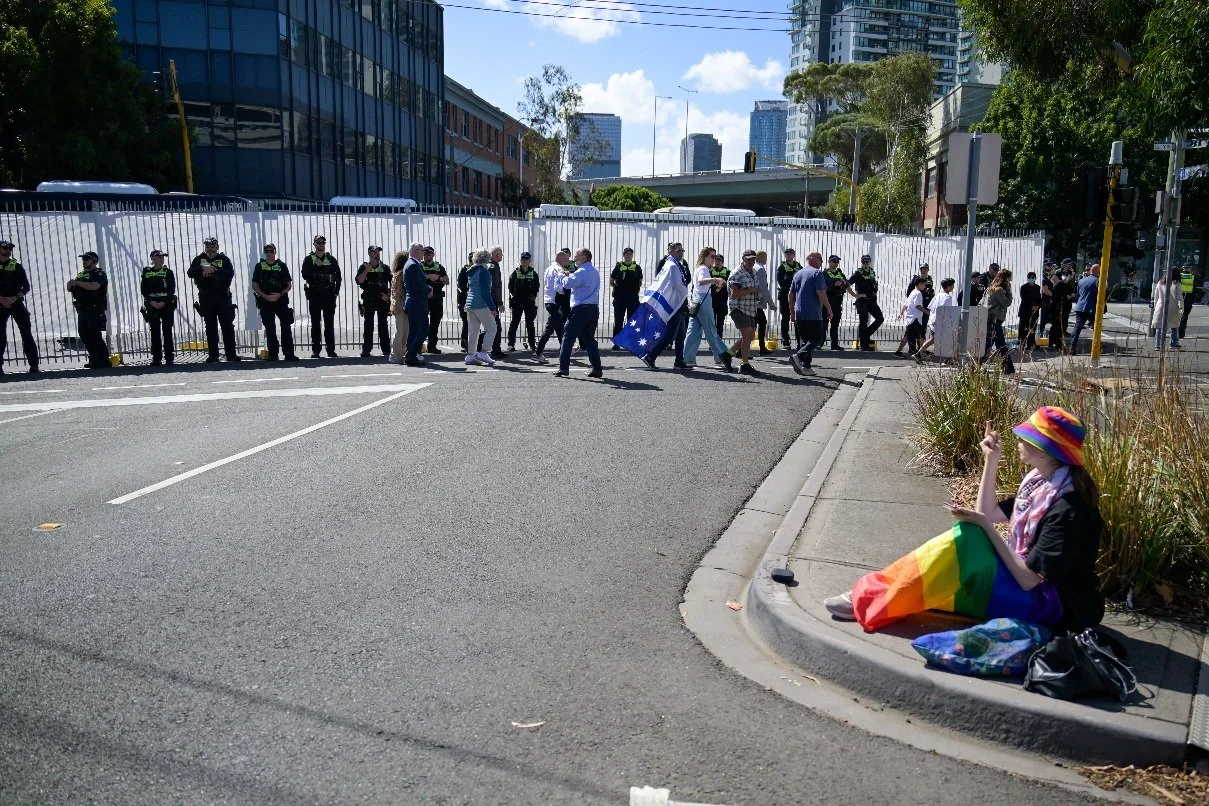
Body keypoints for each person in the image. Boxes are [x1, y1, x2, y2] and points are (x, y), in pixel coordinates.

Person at [825, 408, 1106, 635]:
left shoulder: (1068, 507)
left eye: (1025, 438)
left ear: (1044, 451)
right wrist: (990, 460)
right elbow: (988, 511)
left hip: (1052, 605)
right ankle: (882, 591)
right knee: (968, 539)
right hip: (1031, 591)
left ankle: (876, 596)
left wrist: (984, 525)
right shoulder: (1040, 485)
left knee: (967, 547)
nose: (1018, 441)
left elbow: (1029, 579)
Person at [188, 237, 241, 363]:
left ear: (217, 247)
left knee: (227, 327)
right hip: (206, 298)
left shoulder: (224, 259)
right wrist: (202, 268)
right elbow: (190, 273)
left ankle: (231, 355)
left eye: (212, 246)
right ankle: (213, 355)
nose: (210, 248)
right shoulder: (199, 259)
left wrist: (213, 269)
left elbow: (230, 274)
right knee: (210, 328)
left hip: (223, 297)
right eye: (207, 246)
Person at [553, 247, 604, 379]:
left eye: (576, 256)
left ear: (583, 257)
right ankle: (597, 369)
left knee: (568, 336)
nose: (573, 258)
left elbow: (568, 284)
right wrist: (569, 274)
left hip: (581, 309)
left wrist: (560, 275)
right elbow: (577, 280)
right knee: (590, 340)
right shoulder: (593, 271)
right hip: (593, 309)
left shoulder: (582, 271)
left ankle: (563, 368)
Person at [682, 246, 735, 371]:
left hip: (697, 300)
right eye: (712, 256)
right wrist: (716, 279)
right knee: (711, 330)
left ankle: (688, 358)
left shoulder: (700, 268)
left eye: (715, 257)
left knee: (693, 331)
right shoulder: (703, 268)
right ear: (704, 256)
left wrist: (714, 281)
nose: (714, 259)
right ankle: (722, 355)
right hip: (703, 301)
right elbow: (701, 281)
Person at [642, 243, 692, 370]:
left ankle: (679, 361)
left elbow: (687, 278)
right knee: (671, 335)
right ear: (671, 251)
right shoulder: (671, 265)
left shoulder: (679, 264)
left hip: (680, 303)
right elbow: (676, 284)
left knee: (681, 334)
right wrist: (684, 290)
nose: (681, 253)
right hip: (674, 303)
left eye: (682, 250)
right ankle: (651, 356)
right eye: (678, 250)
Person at [251, 244, 298, 361]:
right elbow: (254, 285)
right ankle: (273, 354)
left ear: (275, 252)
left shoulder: (281, 265)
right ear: (264, 253)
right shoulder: (259, 266)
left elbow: (289, 285)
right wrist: (265, 296)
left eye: (271, 251)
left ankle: (289, 354)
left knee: (286, 327)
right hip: (265, 301)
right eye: (267, 251)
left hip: (281, 300)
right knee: (270, 328)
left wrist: (280, 294)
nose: (269, 253)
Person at [787, 251, 830, 377]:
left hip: (800, 312)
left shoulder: (798, 273)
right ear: (812, 258)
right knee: (817, 338)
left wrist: (792, 312)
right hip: (813, 313)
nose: (821, 262)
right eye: (820, 259)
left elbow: (791, 295)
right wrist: (828, 308)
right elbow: (821, 292)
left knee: (806, 341)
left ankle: (806, 366)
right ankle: (798, 356)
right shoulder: (817, 273)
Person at [0, 238, 39, 374]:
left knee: (26, 334)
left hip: (16, 303)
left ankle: (34, 365)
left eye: (10, 249)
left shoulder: (16, 266)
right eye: (5, 248)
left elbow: (26, 287)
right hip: (0, 304)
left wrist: (14, 297)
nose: (8, 251)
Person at [67, 251, 110, 369]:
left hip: (95, 309)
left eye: (87, 259)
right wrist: (70, 285)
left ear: (94, 261)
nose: (84, 261)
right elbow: (71, 288)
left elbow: (94, 286)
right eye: (83, 259)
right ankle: (94, 359)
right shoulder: (81, 274)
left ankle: (104, 360)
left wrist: (76, 283)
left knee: (95, 335)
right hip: (82, 309)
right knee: (84, 334)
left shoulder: (99, 273)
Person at [301, 235, 341, 358]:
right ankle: (316, 350)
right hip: (315, 294)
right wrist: (315, 266)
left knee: (329, 324)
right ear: (314, 244)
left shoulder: (331, 259)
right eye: (319, 243)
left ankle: (330, 350)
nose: (321, 245)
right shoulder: (309, 259)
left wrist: (335, 292)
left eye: (323, 242)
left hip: (328, 294)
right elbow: (305, 275)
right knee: (315, 323)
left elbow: (338, 277)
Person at [726, 249, 763, 375]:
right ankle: (744, 364)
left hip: (750, 308)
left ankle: (727, 355)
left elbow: (757, 289)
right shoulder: (737, 273)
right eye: (748, 259)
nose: (751, 261)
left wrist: (759, 296)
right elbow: (734, 293)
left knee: (750, 336)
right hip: (739, 308)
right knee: (747, 336)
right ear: (743, 259)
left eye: (753, 259)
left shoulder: (754, 272)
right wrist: (752, 290)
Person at [534, 248, 573, 364]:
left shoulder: (549, 268)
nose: (568, 261)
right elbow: (559, 287)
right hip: (555, 302)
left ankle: (565, 352)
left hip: (550, 301)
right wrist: (567, 287)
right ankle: (538, 352)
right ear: (561, 258)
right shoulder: (559, 269)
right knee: (550, 328)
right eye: (566, 259)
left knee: (560, 328)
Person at [139, 248, 177, 366]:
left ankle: (169, 357)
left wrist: (163, 302)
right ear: (153, 258)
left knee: (167, 331)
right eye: (159, 257)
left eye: (162, 257)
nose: (161, 259)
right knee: (154, 331)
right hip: (152, 305)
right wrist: (151, 302)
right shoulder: (146, 272)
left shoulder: (168, 272)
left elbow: (171, 289)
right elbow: (144, 290)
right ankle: (156, 357)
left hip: (166, 305)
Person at [355, 245, 391, 358]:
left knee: (383, 325)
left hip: (382, 299)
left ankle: (386, 349)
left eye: (378, 252)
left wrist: (388, 295)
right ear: (369, 253)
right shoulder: (364, 266)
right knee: (368, 325)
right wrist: (367, 269)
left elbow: (393, 284)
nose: (377, 254)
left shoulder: (385, 267)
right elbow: (359, 281)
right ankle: (366, 350)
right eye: (375, 252)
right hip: (369, 299)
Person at [463, 249, 498, 367]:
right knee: (492, 327)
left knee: (473, 331)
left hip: (470, 303)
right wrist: (492, 308)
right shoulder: (484, 272)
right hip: (480, 304)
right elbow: (485, 292)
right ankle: (484, 352)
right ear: (486, 258)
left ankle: (471, 355)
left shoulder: (471, 270)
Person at [401, 242, 431, 365]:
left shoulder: (412, 264)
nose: (424, 253)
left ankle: (411, 354)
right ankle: (411, 353)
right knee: (424, 329)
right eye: (422, 250)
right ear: (415, 251)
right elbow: (418, 285)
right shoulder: (413, 265)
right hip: (416, 302)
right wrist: (429, 288)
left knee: (414, 330)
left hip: (413, 302)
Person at [914, 277, 957, 361]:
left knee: (933, 339)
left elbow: (930, 307)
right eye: (952, 285)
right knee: (949, 339)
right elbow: (944, 311)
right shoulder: (948, 298)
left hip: (933, 320)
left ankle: (918, 353)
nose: (953, 287)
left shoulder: (938, 295)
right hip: (940, 322)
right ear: (947, 287)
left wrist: (933, 319)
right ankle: (949, 358)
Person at [981, 268, 1015, 374]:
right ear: (1006, 279)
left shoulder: (990, 288)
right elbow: (1007, 303)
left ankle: (976, 364)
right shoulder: (1000, 290)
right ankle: (1007, 368)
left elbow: (981, 302)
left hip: (987, 317)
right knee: (1000, 343)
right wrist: (1009, 290)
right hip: (994, 319)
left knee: (988, 343)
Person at [847, 254, 883, 351]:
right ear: (861, 262)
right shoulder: (858, 273)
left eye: (867, 261)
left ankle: (865, 336)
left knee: (880, 318)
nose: (866, 263)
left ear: (870, 262)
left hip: (872, 300)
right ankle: (864, 345)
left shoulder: (872, 272)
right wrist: (856, 295)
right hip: (862, 301)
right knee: (863, 322)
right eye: (864, 261)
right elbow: (847, 284)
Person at [610, 247, 642, 349]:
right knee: (618, 320)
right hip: (620, 298)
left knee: (631, 321)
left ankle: (630, 342)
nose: (628, 255)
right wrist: (617, 288)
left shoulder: (636, 267)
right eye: (626, 254)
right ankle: (617, 343)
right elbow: (611, 280)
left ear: (632, 255)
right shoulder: (619, 266)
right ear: (624, 255)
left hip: (632, 298)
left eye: (630, 254)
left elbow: (640, 281)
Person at [421, 246, 449, 354]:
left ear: (433, 254)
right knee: (422, 323)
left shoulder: (438, 266)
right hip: (424, 298)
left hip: (437, 298)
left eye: (428, 254)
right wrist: (428, 276)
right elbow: (415, 278)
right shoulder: (419, 265)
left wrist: (438, 278)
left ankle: (432, 346)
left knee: (435, 323)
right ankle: (419, 345)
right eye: (425, 254)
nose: (426, 256)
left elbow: (447, 281)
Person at [1068, 263, 1100, 355]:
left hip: (1080, 307)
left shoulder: (1081, 281)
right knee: (1096, 328)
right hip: (1093, 308)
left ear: (1090, 271)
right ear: (1099, 272)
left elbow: (1078, 295)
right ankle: (1096, 346)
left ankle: (1072, 347)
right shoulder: (1099, 281)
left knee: (1077, 327)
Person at [775, 248, 802, 350]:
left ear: (793, 255)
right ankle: (785, 340)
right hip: (785, 293)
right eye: (787, 254)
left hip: (797, 294)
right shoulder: (782, 267)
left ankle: (800, 341)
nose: (788, 255)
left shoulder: (799, 266)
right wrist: (793, 278)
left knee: (797, 318)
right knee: (785, 317)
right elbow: (781, 282)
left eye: (790, 254)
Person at [1152, 266, 1184, 351]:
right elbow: (1179, 297)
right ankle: (1173, 344)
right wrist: (1181, 308)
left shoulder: (1160, 282)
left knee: (1159, 326)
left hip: (1160, 305)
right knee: (1174, 326)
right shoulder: (1176, 283)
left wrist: (1156, 306)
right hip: (1172, 307)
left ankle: (1157, 345)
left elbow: (1156, 296)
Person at [897, 276, 928, 357]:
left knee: (916, 336)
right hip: (915, 319)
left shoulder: (912, 292)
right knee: (911, 336)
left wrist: (901, 313)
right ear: (920, 284)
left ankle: (918, 352)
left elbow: (906, 304)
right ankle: (913, 353)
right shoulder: (918, 294)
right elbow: (918, 306)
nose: (925, 287)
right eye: (924, 285)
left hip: (911, 318)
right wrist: (927, 312)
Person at [823, 254, 847, 350]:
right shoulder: (825, 273)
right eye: (834, 261)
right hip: (828, 300)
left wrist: (841, 283)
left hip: (837, 300)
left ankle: (834, 344)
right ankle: (820, 342)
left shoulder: (840, 273)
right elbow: (827, 284)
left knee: (835, 323)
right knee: (824, 322)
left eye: (837, 261)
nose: (836, 263)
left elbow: (846, 283)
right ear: (829, 262)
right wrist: (835, 283)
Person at [388, 251, 409, 364]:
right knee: (400, 331)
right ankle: (395, 354)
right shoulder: (401, 273)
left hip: (401, 305)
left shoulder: (398, 273)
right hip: (400, 305)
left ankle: (400, 354)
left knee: (404, 331)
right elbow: (401, 291)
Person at [486, 246, 506, 359]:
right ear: (496, 255)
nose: (502, 256)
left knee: (492, 326)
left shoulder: (491, 266)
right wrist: (499, 302)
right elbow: (494, 287)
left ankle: (493, 349)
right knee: (495, 327)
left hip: (489, 302)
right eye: (501, 254)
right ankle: (495, 350)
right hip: (492, 302)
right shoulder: (493, 267)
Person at [753, 250, 774, 355]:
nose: (766, 259)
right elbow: (763, 287)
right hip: (758, 301)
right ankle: (761, 347)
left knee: (754, 325)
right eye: (764, 257)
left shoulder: (753, 267)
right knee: (760, 323)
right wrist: (771, 303)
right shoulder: (760, 269)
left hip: (753, 300)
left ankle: (760, 347)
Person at [1018, 271, 1042, 350]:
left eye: (1032, 277)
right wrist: (1031, 306)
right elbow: (1024, 298)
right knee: (1024, 328)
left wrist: (1038, 306)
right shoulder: (1024, 287)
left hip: (1035, 311)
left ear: (1035, 278)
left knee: (1032, 328)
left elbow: (1039, 298)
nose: (1031, 279)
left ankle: (1031, 344)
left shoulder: (1037, 287)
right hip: (1025, 310)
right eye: (1029, 277)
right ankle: (1022, 344)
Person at [710, 252, 730, 338]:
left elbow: (730, 283)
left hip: (722, 298)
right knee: (712, 320)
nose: (717, 262)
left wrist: (723, 284)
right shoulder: (711, 270)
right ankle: (713, 341)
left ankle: (719, 339)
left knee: (720, 321)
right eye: (716, 260)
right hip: (713, 298)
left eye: (719, 261)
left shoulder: (727, 271)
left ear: (722, 262)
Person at [456, 251, 473, 351]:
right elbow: (461, 285)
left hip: (475, 300)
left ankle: (472, 343)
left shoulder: (478, 269)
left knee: (474, 322)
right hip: (465, 300)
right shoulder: (464, 269)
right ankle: (465, 343)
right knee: (467, 322)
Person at [1178, 263, 1197, 339]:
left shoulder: (1179, 276)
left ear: (1183, 268)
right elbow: (1195, 289)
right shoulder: (1192, 277)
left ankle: (1175, 332)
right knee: (1184, 316)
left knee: (1177, 316)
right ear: (1190, 268)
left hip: (1179, 298)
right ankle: (1181, 333)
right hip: (1188, 299)